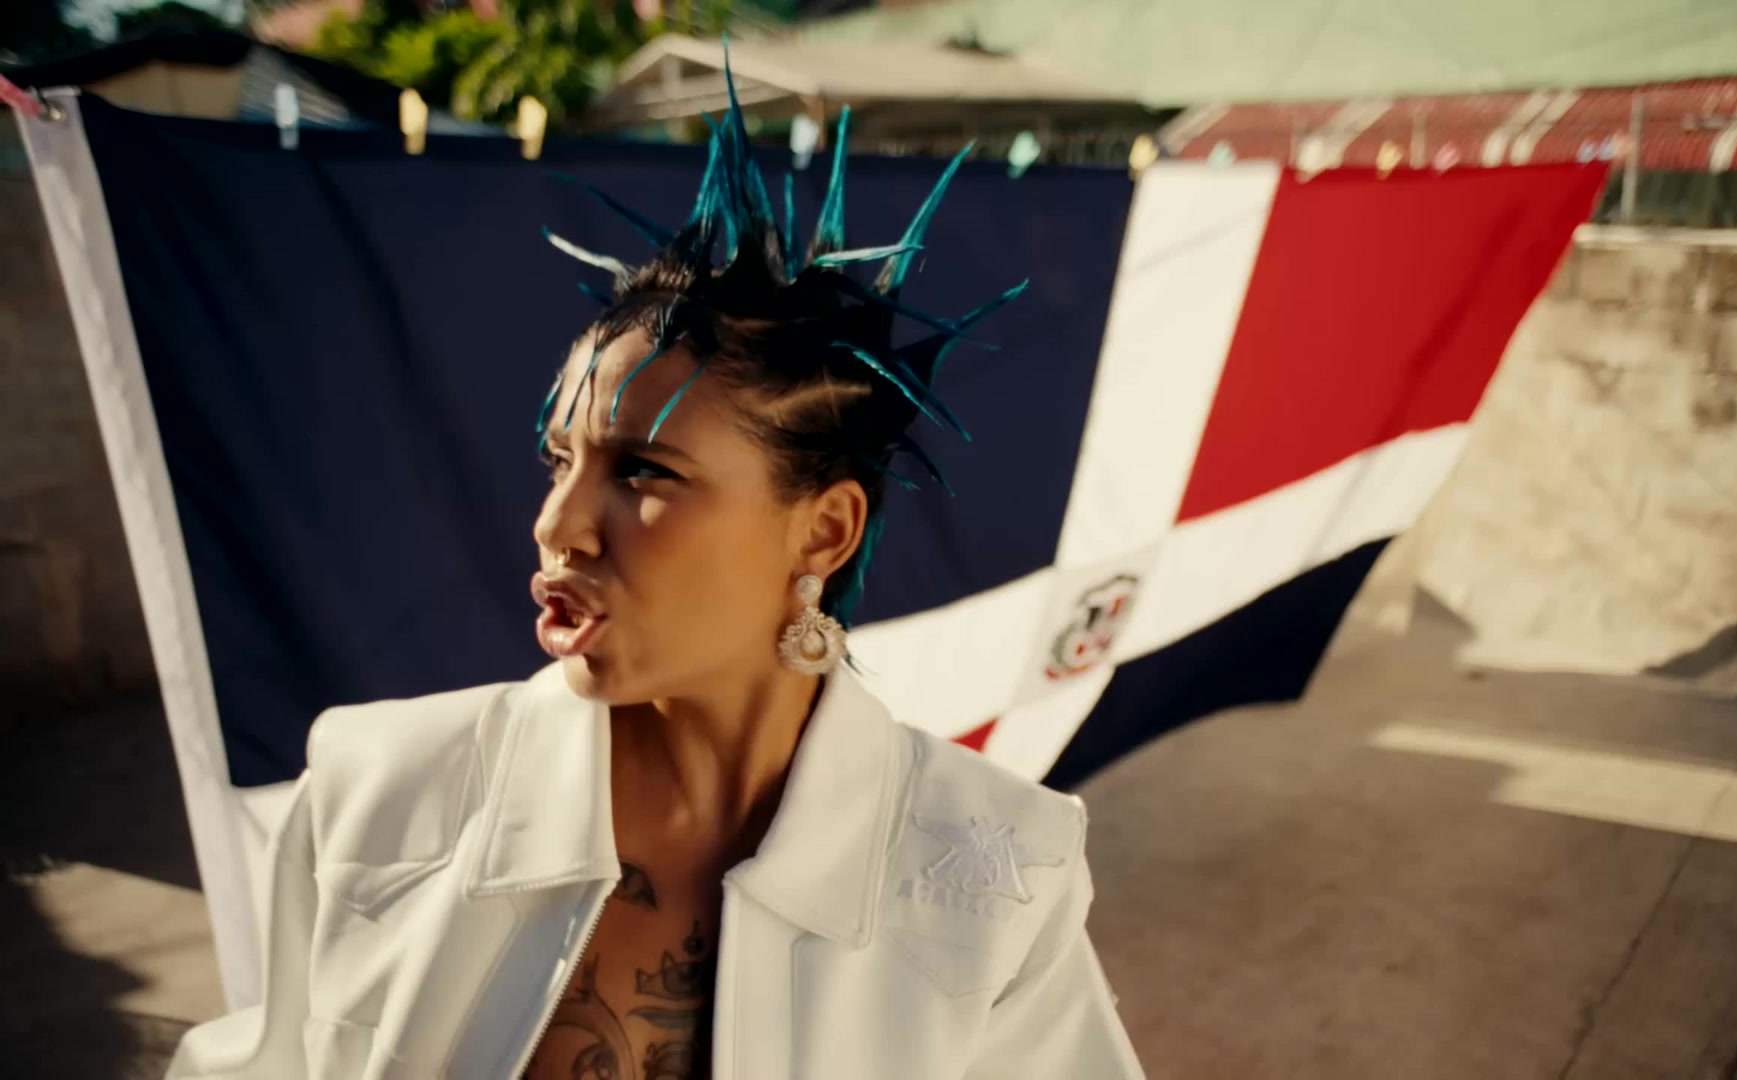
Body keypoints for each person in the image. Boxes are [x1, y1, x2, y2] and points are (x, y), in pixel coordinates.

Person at [165, 76, 1147, 1080]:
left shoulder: (1002, 875)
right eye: (560, 460)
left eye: (643, 471)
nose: (558, 526)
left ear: (825, 531)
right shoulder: (377, 793)